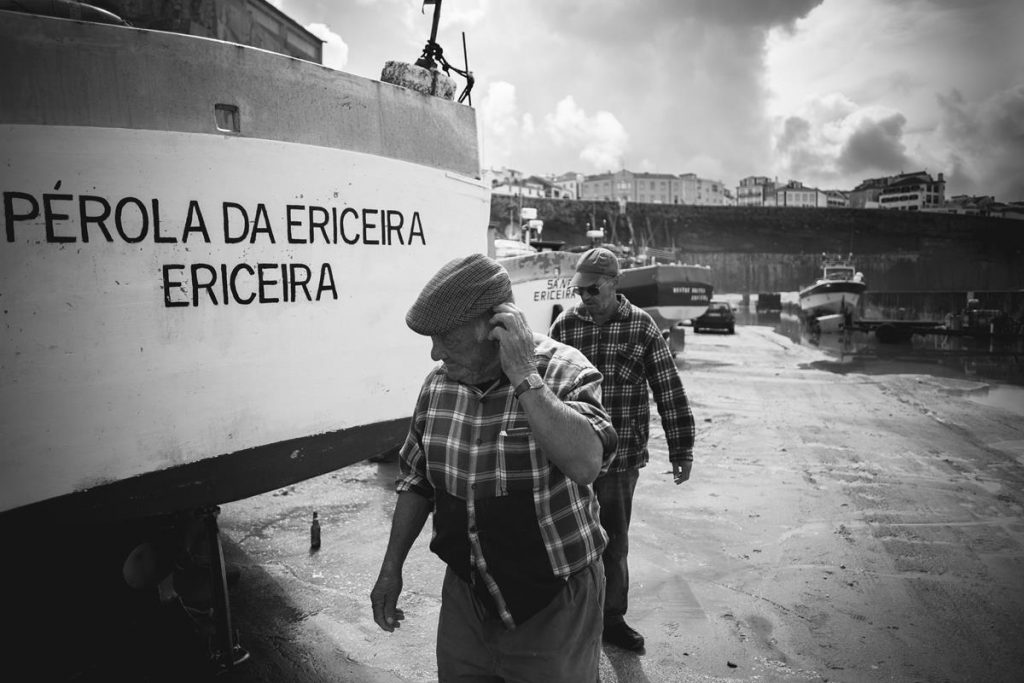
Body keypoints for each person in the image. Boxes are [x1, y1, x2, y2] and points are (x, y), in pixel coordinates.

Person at [370, 253, 618, 682]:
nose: (435, 352)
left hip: (553, 599)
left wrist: (524, 375)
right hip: (468, 597)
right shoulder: (438, 384)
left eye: (445, 337)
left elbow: (586, 465)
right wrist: (391, 567)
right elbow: (416, 480)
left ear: (496, 324)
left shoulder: (563, 371)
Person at [549, 246, 696, 654]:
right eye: (579, 290)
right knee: (566, 540)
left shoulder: (643, 327)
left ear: (614, 284)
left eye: (592, 290)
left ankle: (611, 619)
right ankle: (570, 619)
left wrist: (681, 450)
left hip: (621, 460)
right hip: (572, 458)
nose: (585, 297)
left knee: (614, 543)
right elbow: (541, 389)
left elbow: (669, 390)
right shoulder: (565, 326)